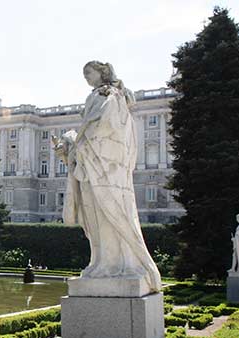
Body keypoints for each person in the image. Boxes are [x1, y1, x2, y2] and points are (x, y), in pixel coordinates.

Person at [53, 61, 161, 293]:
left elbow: (106, 127)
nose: (86, 78)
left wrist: (79, 138)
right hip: (90, 171)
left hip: (104, 171)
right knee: (94, 220)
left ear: (101, 72)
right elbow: (88, 132)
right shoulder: (97, 96)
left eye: (88, 73)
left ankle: (115, 265)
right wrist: (69, 147)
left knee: (108, 217)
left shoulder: (111, 95)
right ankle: (100, 262)